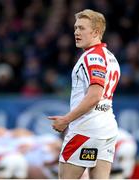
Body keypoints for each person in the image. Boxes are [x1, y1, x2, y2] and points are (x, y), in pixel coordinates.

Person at [48, 9, 120, 179]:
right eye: (75, 28)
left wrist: (66, 119)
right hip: (107, 129)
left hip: (85, 129)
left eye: (81, 28)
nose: (76, 33)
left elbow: (95, 96)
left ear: (96, 32)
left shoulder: (92, 57)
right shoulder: (111, 57)